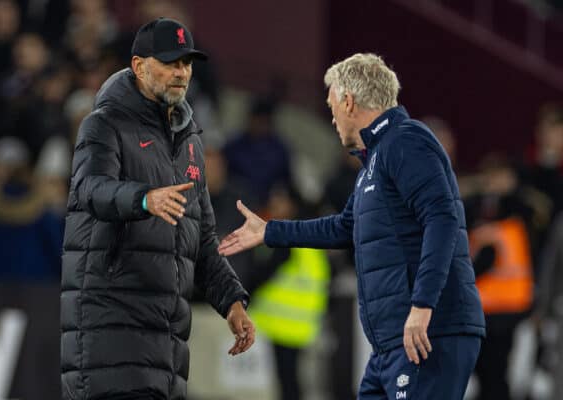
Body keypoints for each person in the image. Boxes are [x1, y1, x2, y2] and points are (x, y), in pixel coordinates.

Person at [219, 53, 485, 400]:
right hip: (391, 341)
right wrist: (269, 231)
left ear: (348, 101)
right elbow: (345, 228)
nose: (331, 119)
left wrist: (422, 306)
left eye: (331, 107)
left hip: (428, 331)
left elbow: (442, 218)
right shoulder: (376, 159)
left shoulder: (407, 140)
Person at [60, 18, 255, 400]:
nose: (181, 73)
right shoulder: (103, 125)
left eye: (186, 64)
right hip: (109, 338)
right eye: (170, 63)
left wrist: (232, 303)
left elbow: (202, 240)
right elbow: (89, 189)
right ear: (138, 66)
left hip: (166, 349)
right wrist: (145, 198)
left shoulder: (191, 143)